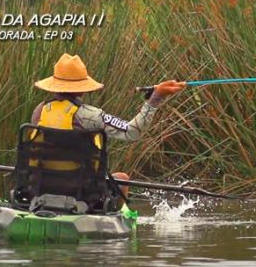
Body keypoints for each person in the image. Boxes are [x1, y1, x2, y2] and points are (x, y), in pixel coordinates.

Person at [30, 53, 185, 203]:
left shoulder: (39, 111)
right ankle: (113, 215)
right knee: (122, 179)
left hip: (41, 185)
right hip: (82, 190)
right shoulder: (91, 115)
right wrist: (155, 99)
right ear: (82, 88)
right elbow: (132, 132)